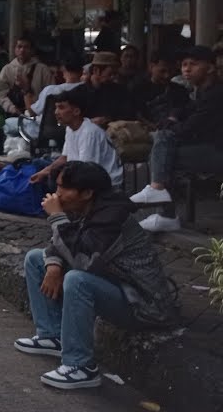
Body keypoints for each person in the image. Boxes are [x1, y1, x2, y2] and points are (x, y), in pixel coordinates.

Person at [18, 162, 178, 390]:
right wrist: (53, 265)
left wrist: (56, 218)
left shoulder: (112, 218)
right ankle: (52, 336)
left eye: (64, 188)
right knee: (36, 258)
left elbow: (83, 262)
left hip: (144, 304)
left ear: (87, 193)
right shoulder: (84, 208)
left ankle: (81, 366)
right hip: (115, 286)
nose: (58, 193)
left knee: (76, 280)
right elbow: (62, 244)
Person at [130, 45, 223, 232]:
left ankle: (164, 208)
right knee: (163, 148)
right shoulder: (201, 93)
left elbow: (191, 127)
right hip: (208, 147)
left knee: (164, 148)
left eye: (193, 64)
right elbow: (183, 112)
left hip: (217, 151)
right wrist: (172, 118)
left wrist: (169, 128)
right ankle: (163, 207)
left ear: (210, 68)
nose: (186, 69)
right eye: (184, 65)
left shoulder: (217, 94)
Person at [29, 90, 123, 188]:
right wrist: (43, 172)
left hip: (106, 184)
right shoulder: (70, 129)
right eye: (56, 108)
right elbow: (65, 158)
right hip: (82, 174)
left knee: (54, 184)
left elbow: (85, 170)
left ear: (76, 111)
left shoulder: (89, 132)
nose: (56, 112)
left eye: (61, 107)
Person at [0, 36, 54, 117]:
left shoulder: (43, 70)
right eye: (19, 47)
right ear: (15, 49)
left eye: (26, 47)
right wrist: (11, 108)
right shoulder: (7, 69)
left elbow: (51, 94)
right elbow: (0, 94)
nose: (22, 50)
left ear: (32, 50)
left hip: (37, 114)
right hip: (12, 113)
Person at [131, 54, 189, 126]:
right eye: (162, 71)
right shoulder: (137, 89)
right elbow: (135, 114)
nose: (167, 75)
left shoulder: (180, 90)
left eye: (170, 71)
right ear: (151, 67)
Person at [80, 51, 133, 126]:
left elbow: (128, 115)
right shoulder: (79, 93)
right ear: (96, 70)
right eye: (110, 74)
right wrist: (89, 122)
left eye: (115, 74)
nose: (114, 78)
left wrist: (109, 119)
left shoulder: (121, 92)